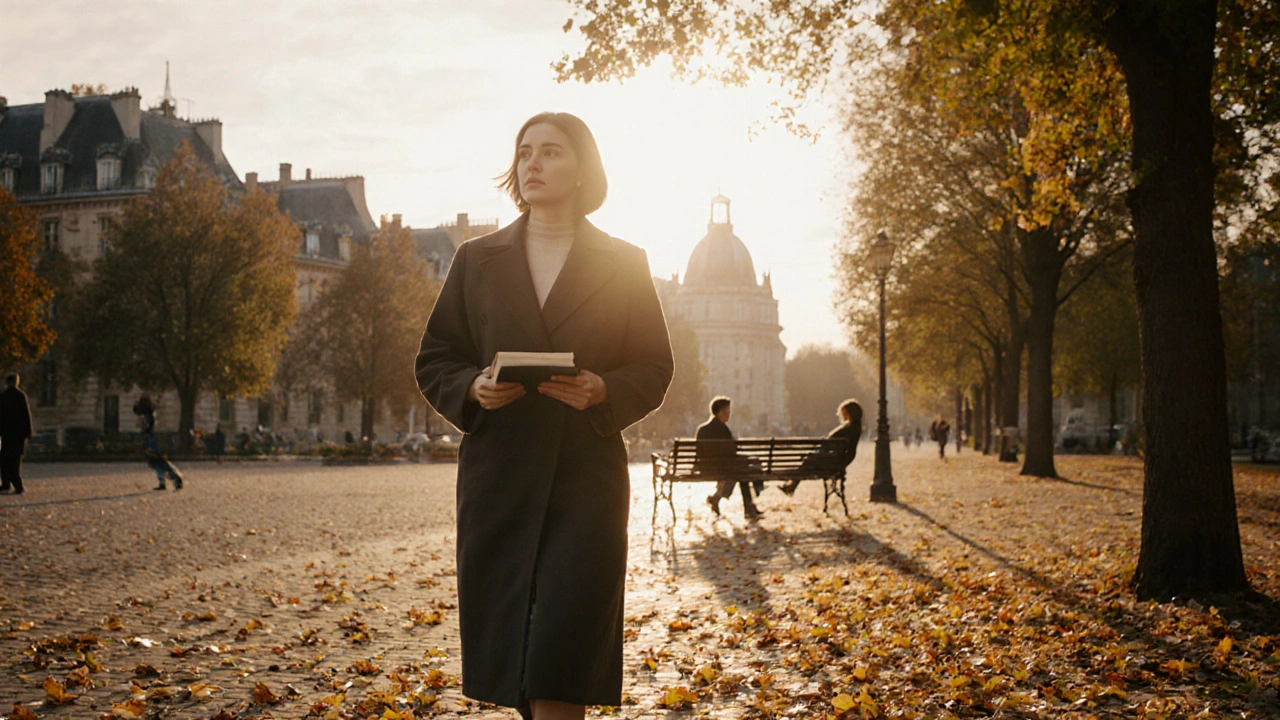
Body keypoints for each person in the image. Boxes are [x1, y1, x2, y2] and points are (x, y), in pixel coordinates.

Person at [415, 111, 674, 720]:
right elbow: (435, 357)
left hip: (586, 477)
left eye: (551, 152)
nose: (533, 163)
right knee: (515, 644)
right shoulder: (475, 260)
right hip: (499, 475)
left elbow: (655, 365)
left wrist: (604, 388)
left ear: (584, 168)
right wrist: (472, 387)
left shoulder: (626, 261)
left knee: (564, 639)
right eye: (525, 152)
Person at [780, 399, 863, 496]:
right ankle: (791, 485)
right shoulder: (854, 428)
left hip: (833, 461)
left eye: (843, 412)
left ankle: (791, 482)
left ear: (849, 412)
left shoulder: (847, 428)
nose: (842, 415)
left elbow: (829, 442)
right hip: (840, 460)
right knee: (808, 461)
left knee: (809, 460)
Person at [698, 397, 763, 520]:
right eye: (727, 411)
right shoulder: (722, 429)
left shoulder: (702, 429)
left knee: (742, 474)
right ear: (720, 412)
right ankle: (754, 498)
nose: (729, 414)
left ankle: (721, 500)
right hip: (722, 467)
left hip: (706, 468)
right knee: (747, 468)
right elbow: (732, 451)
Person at [133, 393, 183, 490]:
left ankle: (173, 478)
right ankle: (164, 481)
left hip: (150, 440)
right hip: (152, 439)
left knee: (158, 461)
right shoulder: (150, 413)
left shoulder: (145, 415)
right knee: (156, 462)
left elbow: (137, 413)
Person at [0, 373, 33, 495]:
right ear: (15, 382)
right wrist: (28, 432)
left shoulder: (3, 396)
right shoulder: (20, 396)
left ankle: (6, 483)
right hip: (18, 434)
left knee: (4, 459)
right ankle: (18, 485)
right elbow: (26, 415)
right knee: (15, 460)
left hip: (6, 434)